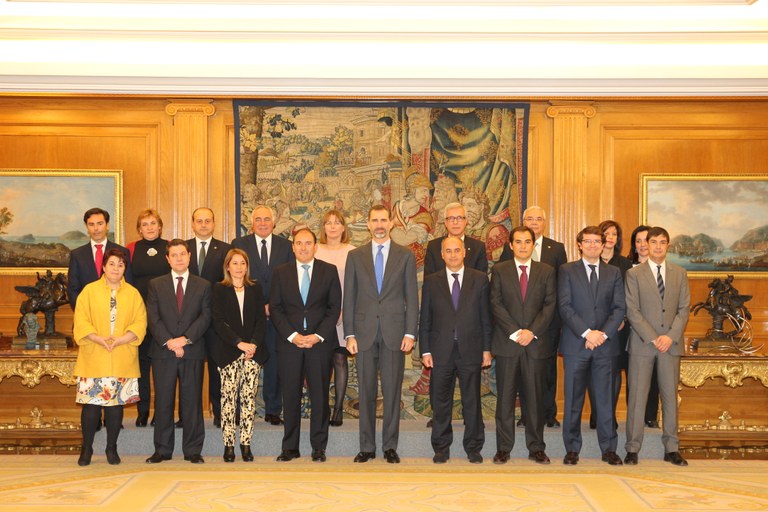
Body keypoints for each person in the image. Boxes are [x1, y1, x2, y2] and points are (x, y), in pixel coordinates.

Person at [344, 205, 419, 464]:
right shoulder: (355, 256)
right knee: (365, 391)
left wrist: (410, 333)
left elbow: (412, 298)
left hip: (394, 333)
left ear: (391, 223)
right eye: (374, 220)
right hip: (363, 333)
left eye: (383, 220)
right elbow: (349, 298)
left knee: (391, 391)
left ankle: (389, 446)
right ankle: (366, 446)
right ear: (368, 224)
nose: (379, 225)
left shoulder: (405, 256)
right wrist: (349, 334)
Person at [270, 228, 342, 463]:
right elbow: (275, 308)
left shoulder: (329, 271)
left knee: (319, 396)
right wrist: (292, 336)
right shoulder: (280, 272)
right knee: (290, 395)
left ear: (315, 246)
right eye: (299, 243)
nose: (303, 247)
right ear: (293, 247)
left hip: (319, 345)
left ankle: (319, 447)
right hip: (289, 344)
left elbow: (334, 308)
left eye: (308, 243)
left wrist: (317, 335)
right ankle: (290, 447)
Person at [419, 236, 492, 464]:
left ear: (464, 252)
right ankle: (441, 448)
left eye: (457, 250)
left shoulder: (479, 279)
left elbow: (486, 317)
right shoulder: (431, 281)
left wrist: (487, 349)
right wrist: (425, 351)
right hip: (440, 351)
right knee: (441, 402)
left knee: (472, 401)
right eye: (448, 251)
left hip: (471, 349)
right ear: (442, 255)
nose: (453, 255)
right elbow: (425, 319)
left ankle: (473, 447)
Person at [558, 226, 626, 466]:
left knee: (605, 401)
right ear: (579, 245)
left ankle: (609, 449)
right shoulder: (567, 270)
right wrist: (587, 333)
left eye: (597, 241)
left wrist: (602, 335)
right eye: (588, 241)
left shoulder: (614, 272)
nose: (593, 245)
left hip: (605, 347)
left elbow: (619, 308)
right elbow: (564, 306)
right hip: (576, 344)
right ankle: (572, 449)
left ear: (603, 244)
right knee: (573, 401)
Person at [72, 248, 146, 466]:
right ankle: (86, 448)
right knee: (91, 407)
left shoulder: (133, 293)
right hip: (94, 355)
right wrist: (97, 338)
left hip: (122, 355)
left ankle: (111, 448)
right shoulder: (89, 291)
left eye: (120, 265)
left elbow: (140, 322)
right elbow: (81, 320)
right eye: (112, 264)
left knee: (115, 407)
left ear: (125, 269)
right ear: (103, 266)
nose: (116, 268)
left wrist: (123, 339)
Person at [624, 226, 690, 467]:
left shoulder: (680, 273)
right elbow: (632, 310)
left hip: (670, 345)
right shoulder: (634, 274)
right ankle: (632, 448)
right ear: (646, 245)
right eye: (654, 242)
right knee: (638, 397)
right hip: (643, 345)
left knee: (670, 397)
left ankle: (672, 448)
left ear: (668, 245)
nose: (658, 246)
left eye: (663, 242)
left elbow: (684, 309)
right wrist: (654, 337)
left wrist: (670, 336)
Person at [490, 226, 556, 465]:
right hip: (508, 345)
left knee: (535, 401)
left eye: (527, 241)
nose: (523, 246)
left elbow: (550, 305)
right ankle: (503, 448)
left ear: (533, 244)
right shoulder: (500, 270)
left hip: (535, 346)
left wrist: (532, 332)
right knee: (505, 401)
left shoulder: (546, 271)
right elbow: (495, 303)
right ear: (511, 245)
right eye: (518, 242)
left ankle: (536, 447)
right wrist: (516, 332)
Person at [420, 201, 488, 428]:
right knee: (440, 388)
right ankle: (440, 423)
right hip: (442, 329)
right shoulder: (433, 247)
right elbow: (431, 284)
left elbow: (479, 287)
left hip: (469, 332)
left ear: (466, 221)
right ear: (445, 222)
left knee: (471, 391)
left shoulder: (477, 247)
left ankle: (473, 429)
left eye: (460, 218)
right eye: (451, 218)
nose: (456, 222)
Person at [499, 206, 566, 428]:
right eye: (530, 218)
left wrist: (538, 327)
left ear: (544, 223)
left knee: (547, 374)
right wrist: (516, 330)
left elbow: (559, 287)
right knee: (519, 378)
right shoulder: (509, 251)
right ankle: (525, 416)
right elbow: (503, 290)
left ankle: (548, 414)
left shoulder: (556, 248)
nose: (534, 222)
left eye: (538, 219)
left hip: (546, 326)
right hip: (515, 329)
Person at [145, 239, 211, 464]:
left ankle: (193, 450)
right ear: (167, 259)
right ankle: (162, 450)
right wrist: (170, 342)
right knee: (163, 402)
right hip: (163, 352)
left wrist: (185, 339)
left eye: (182, 254)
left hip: (192, 350)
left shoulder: (203, 285)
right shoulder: (156, 284)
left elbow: (205, 316)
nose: (179, 258)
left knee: (192, 402)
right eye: (174, 255)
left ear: (189, 256)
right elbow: (153, 317)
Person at [232, 205, 295, 426]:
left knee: (274, 364)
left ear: (274, 222)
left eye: (267, 219)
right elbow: (235, 278)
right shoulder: (239, 244)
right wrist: (259, 306)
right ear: (252, 223)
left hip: (277, 316)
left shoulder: (286, 246)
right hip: (247, 315)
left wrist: (273, 305)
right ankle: (239, 409)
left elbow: (289, 280)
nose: (262, 223)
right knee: (243, 362)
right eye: (258, 219)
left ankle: (273, 409)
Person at [211, 248, 267, 463]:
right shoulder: (219, 289)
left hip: (252, 353)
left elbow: (261, 320)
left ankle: (245, 444)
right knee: (228, 400)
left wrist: (252, 345)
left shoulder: (255, 288)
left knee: (248, 400)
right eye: (234, 263)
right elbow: (218, 322)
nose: (239, 267)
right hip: (229, 353)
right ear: (227, 266)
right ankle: (228, 445)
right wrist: (238, 343)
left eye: (243, 263)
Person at [187, 207, 231, 428]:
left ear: (214, 223)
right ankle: (188, 415)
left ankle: (220, 413)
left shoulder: (225, 249)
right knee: (190, 371)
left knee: (217, 369)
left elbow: (228, 284)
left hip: (216, 321)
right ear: (192, 224)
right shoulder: (183, 248)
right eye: (199, 221)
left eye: (207, 221)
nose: (203, 225)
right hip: (188, 321)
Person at [587, 220, 633, 430]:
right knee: (592, 371)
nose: (610, 237)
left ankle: (610, 415)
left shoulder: (624, 264)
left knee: (614, 372)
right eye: (606, 233)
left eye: (615, 234)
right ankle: (596, 413)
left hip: (618, 328)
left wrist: (620, 320)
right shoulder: (591, 261)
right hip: (592, 329)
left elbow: (628, 297)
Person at [126, 209, 170, 428]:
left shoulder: (169, 247)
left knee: (162, 368)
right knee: (141, 367)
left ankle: (161, 413)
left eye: (153, 223)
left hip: (164, 318)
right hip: (139, 317)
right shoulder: (131, 249)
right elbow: (126, 282)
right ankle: (142, 411)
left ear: (160, 227)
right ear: (139, 229)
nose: (149, 227)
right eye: (145, 224)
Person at [314, 209, 355, 427]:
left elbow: (354, 286)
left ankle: (338, 409)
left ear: (343, 227)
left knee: (340, 360)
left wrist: (342, 311)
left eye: (337, 222)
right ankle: (322, 408)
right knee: (320, 363)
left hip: (343, 314)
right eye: (328, 222)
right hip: (319, 316)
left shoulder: (352, 251)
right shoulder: (315, 249)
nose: (332, 226)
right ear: (323, 227)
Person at [68, 207, 133, 310]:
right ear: (87, 227)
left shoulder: (122, 252)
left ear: (107, 225)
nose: (96, 228)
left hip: (117, 312)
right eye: (91, 224)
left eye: (100, 224)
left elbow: (128, 285)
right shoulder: (77, 255)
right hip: (87, 313)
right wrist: (83, 312)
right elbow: (73, 290)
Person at [628, 225, 661, 429]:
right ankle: (634, 415)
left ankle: (650, 415)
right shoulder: (626, 267)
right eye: (638, 240)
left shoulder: (660, 269)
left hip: (654, 333)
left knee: (654, 375)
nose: (642, 244)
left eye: (645, 240)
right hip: (628, 331)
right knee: (634, 377)